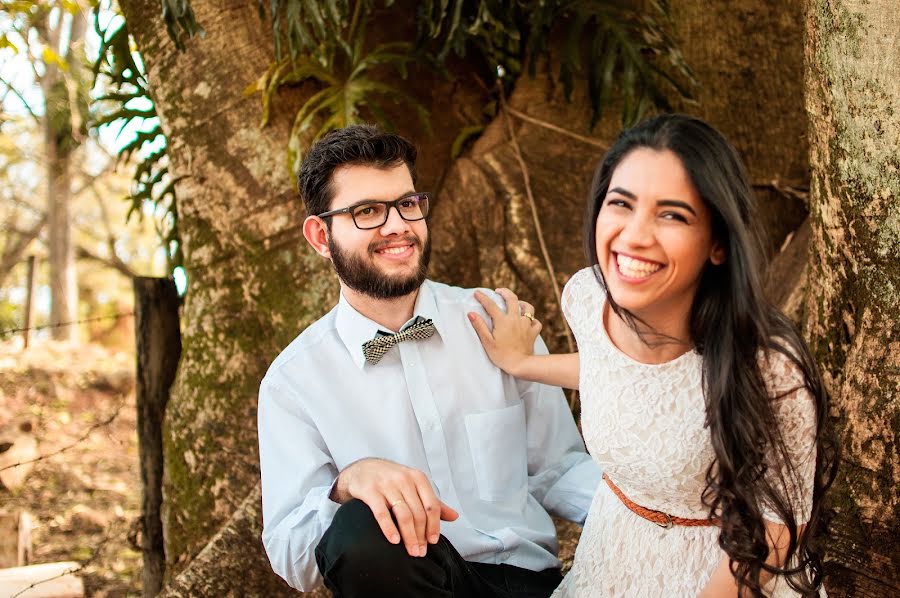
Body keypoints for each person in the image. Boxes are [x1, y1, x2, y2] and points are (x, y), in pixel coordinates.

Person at [470, 114, 838, 597]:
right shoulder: (587, 298)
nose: (635, 235)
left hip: (724, 576)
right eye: (621, 204)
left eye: (672, 214)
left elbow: (775, 530)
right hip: (613, 554)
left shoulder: (768, 366)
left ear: (718, 244)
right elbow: (624, 378)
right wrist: (525, 364)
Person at [257, 124, 601, 597]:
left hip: (524, 581)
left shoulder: (497, 324)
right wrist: (347, 486)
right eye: (368, 211)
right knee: (360, 529)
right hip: (409, 583)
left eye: (407, 204)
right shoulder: (293, 382)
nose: (397, 225)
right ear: (320, 236)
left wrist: (660, 516)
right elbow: (292, 553)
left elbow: (558, 468)